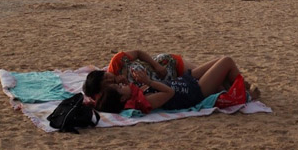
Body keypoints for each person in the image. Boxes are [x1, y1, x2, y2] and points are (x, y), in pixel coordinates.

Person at [95, 56, 258, 113]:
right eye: (119, 89)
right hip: (194, 92)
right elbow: (169, 93)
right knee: (226, 61)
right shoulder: (144, 102)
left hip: (186, 81)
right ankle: (248, 94)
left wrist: (143, 82)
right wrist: (148, 82)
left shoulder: (135, 94)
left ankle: (243, 86)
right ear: (123, 99)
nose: (122, 86)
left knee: (220, 63)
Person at [82, 50, 198, 97]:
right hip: (175, 84)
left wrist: (156, 66)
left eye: (107, 77)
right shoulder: (118, 92)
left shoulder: (117, 62)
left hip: (168, 64)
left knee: (203, 73)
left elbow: (138, 53)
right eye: (106, 84)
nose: (110, 80)